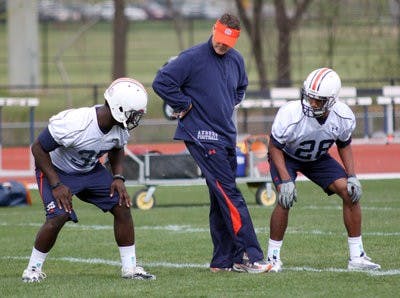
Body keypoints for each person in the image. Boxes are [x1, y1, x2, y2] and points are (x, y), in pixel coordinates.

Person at [152, 13, 270, 274]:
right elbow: (161, 82)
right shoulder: (192, 58)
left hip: (226, 135)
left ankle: (224, 261)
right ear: (213, 31)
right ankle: (251, 255)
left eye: (227, 42)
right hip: (201, 136)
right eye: (219, 39)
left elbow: (241, 88)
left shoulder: (236, 60)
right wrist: (184, 105)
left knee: (220, 199)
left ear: (235, 40)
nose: (222, 45)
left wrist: (227, 104)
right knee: (230, 193)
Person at [22, 78, 155, 282]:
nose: (135, 119)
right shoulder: (76, 124)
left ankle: (130, 268)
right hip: (57, 171)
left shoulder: (119, 127)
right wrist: (56, 184)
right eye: (133, 113)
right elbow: (38, 148)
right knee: (59, 215)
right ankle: (32, 269)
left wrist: (118, 176)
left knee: (122, 205)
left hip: (90, 170)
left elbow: (117, 148)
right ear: (118, 108)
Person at [265, 67, 381, 272]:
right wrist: (285, 180)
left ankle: (357, 257)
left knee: (350, 192)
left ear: (332, 100)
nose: (312, 103)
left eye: (318, 100)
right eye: (310, 97)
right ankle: (273, 258)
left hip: (317, 159)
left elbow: (344, 144)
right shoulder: (291, 113)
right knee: (285, 198)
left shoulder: (343, 116)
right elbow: (274, 147)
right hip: (287, 156)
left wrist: (352, 175)